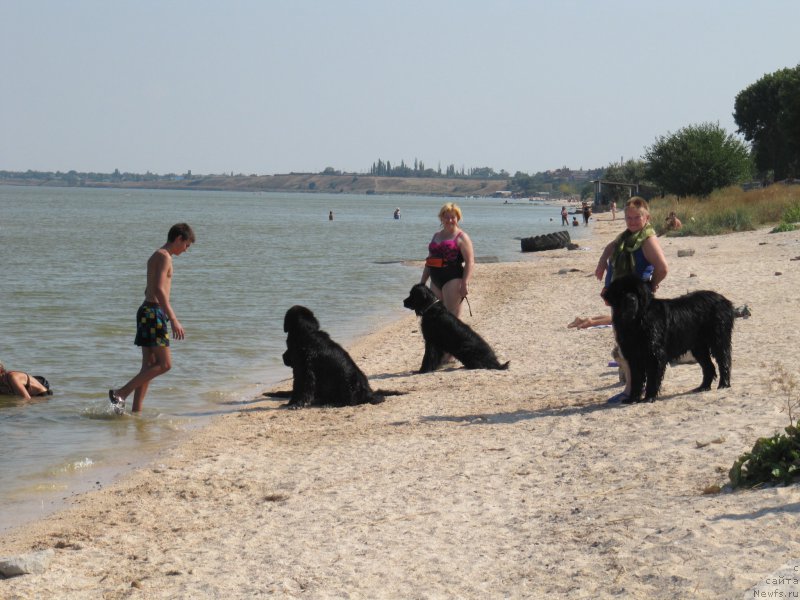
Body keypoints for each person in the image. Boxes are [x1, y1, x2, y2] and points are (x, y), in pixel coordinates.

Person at [108, 223, 195, 414]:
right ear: (179, 239)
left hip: (146, 310)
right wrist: (173, 318)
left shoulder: (155, 255)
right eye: (187, 245)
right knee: (165, 364)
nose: (186, 250)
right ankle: (121, 393)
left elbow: (149, 288)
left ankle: (136, 412)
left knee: (147, 367)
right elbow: (157, 289)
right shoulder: (165, 258)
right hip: (154, 313)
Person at [594, 197, 669, 404]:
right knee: (624, 342)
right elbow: (610, 248)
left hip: (634, 303)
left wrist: (651, 286)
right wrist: (602, 264)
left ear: (647, 217)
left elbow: (662, 267)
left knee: (632, 345)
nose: (632, 221)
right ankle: (633, 386)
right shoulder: (627, 237)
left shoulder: (647, 239)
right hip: (621, 298)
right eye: (629, 217)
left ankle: (631, 389)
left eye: (637, 217)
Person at [420, 202, 474, 319]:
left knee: (452, 318)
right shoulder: (436, 236)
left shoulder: (462, 237)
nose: (450, 220)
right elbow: (429, 261)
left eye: (453, 217)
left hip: (453, 278)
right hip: (435, 279)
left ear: (458, 218)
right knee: (436, 316)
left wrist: (465, 283)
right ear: (441, 218)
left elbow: (470, 262)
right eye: (446, 217)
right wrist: (422, 282)